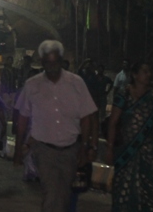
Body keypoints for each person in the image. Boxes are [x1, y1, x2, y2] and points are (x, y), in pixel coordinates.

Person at [13, 40, 98, 212]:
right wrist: (18, 148)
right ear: (42, 62)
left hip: (71, 150)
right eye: (48, 62)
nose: (52, 66)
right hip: (44, 150)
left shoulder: (76, 83)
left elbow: (87, 117)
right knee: (51, 192)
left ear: (61, 61)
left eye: (55, 62)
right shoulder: (32, 85)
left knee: (64, 194)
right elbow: (22, 119)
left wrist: (85, 147)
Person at [104, 60, 153, 211]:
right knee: (124, 187)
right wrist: (109, 148)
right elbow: (113, 122)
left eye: (149, 72)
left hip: (149, 152)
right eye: (145, 71)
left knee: (151, 188)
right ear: (134, 75)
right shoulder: (123, 94)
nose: (148, 75)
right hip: (126, 152)